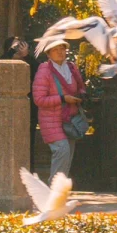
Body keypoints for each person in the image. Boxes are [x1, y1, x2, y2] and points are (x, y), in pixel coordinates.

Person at [33, 41, 86, 183]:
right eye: (55, 49)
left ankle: (60, 191)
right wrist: (62, 98)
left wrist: (81, 96)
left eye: (62, 49)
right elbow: (39, 99)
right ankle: (52, 190)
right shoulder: (44, 70)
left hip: (70, 118)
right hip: (51, 120)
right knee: (62, 150)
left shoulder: (72, 67)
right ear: (48, 53)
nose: (60, 52)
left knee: (67, 156)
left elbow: (81, 87)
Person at [2, 35, 37, 138]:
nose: (19, 49)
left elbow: (39, 70)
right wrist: (12, 50)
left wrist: (26, 55)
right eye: (16, 46)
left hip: (28, 111)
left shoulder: (29, 63)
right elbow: (2, 60)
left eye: (21, 45)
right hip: (7, 111)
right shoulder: (3, 62)